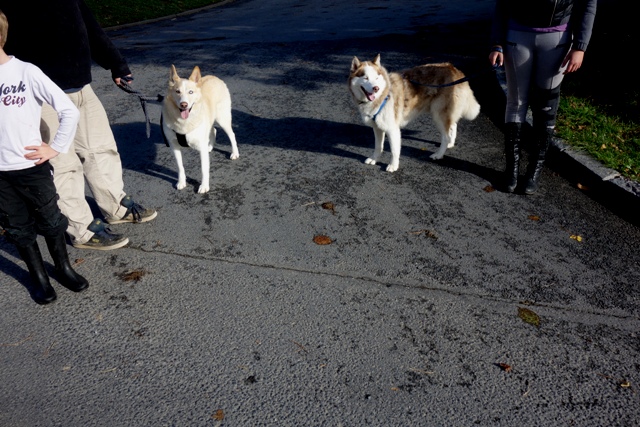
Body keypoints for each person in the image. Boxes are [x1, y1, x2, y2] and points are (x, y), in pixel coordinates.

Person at [0, 0, 157, 250]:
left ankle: (115, 207)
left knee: (101, 149)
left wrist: (116, 64)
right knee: (63, 165)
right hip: (42, 94)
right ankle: (81, 229)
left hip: (81, 87)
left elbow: (90, 28)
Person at [0, 9, 89, 304]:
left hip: (31, 166)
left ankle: (63, 268)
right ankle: (38, 277)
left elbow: (68, 110)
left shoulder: (26, 72)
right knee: (17, 227)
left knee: (50, 219)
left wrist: (56, 147)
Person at [488, 0, 597, 194]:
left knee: (546, 107)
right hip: (517, 36)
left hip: (557, 40)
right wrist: (497, 43)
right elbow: (502, 3)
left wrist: (580, 46)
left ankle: (533, 172)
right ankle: (511, 171)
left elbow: (589, 3)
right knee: (516, 102)